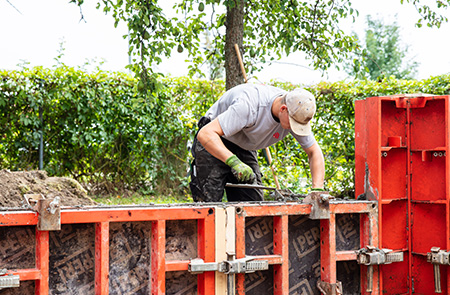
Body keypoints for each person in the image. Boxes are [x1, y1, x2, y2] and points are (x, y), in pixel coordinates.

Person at [189, 83, 325, 202]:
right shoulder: (249, 105)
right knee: (209, 201)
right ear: (283, 109)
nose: (295, 128)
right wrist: (233, 162)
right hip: (215, 138)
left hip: (243, 144)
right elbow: (205, 134)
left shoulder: (296, 109)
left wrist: (317, 191)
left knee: (253, 204)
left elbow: (314, 152)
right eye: (293, 123)